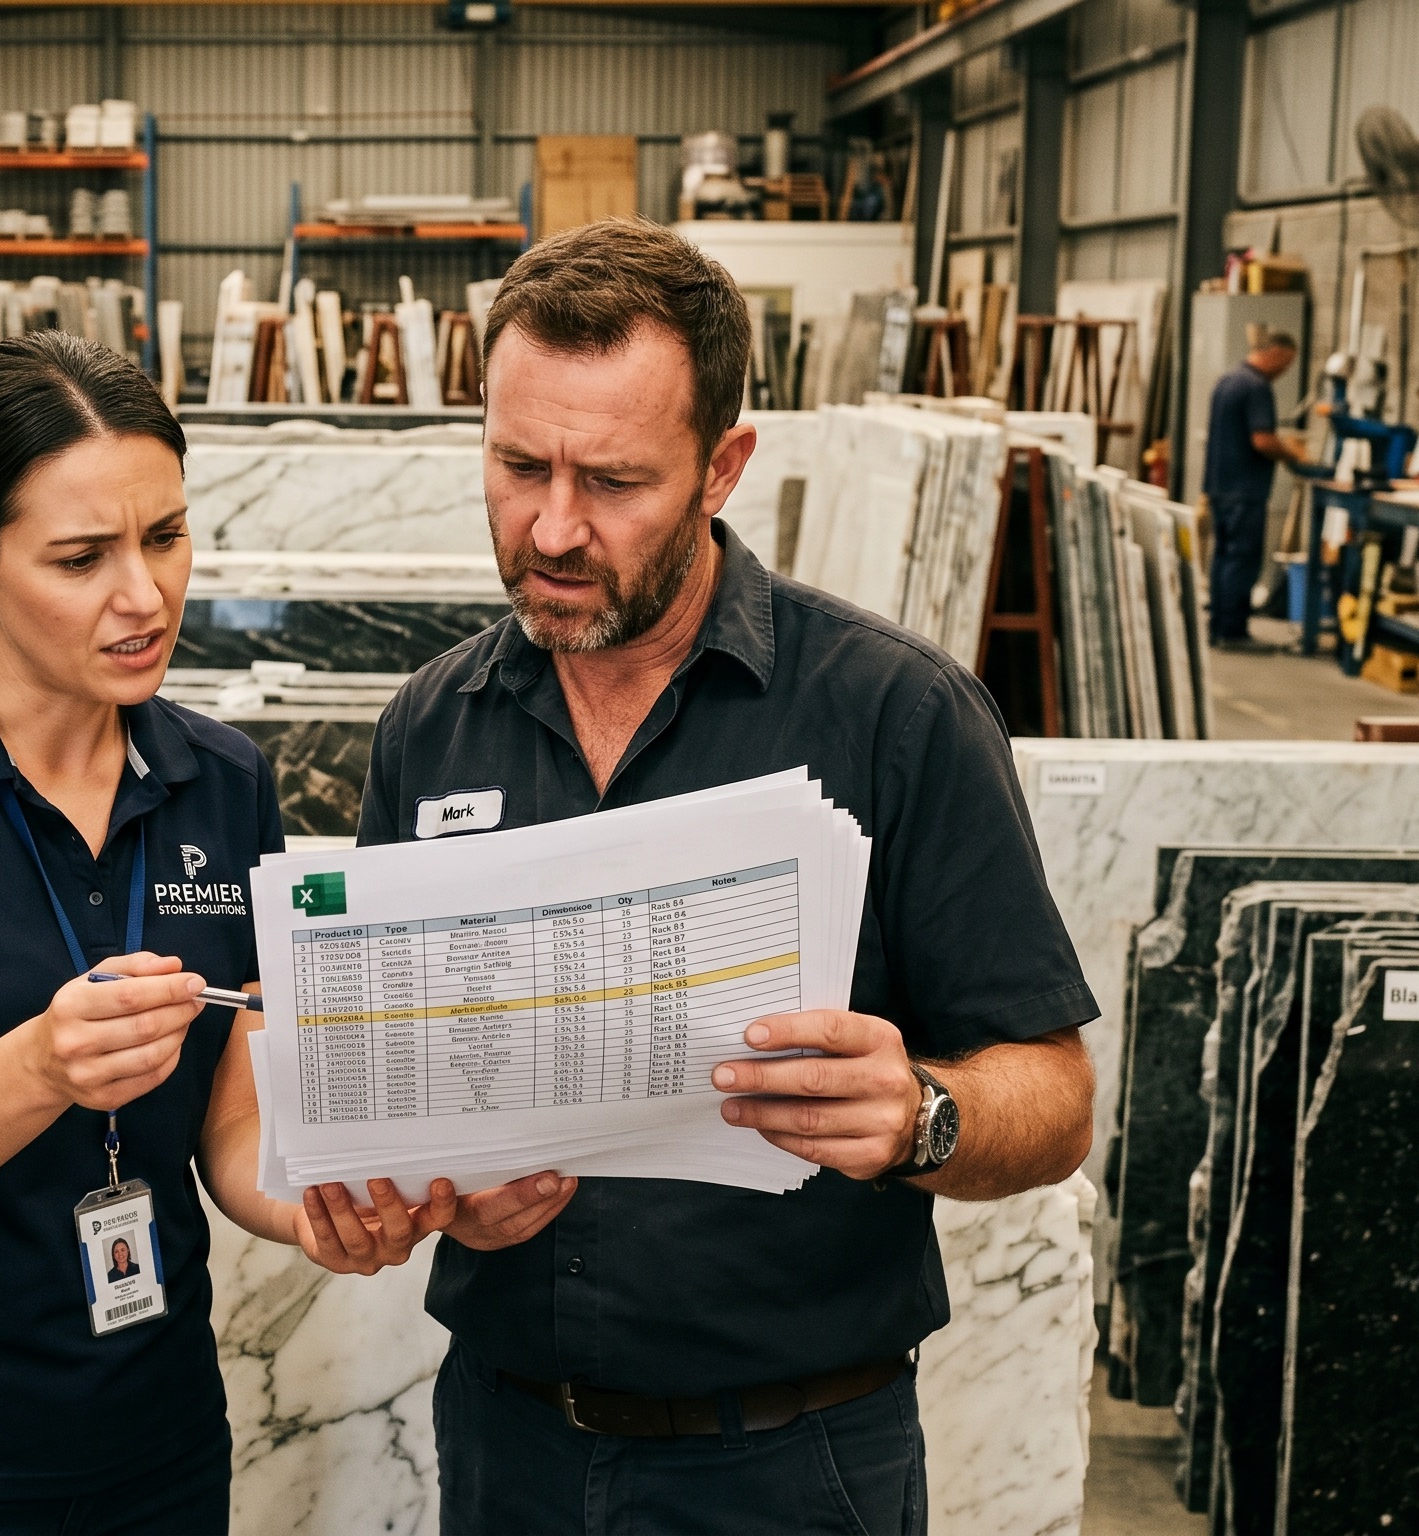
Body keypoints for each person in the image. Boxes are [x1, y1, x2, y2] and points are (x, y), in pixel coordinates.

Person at [355, 219, 1098, 1534]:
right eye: (520, 464)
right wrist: (409, 1185)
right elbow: (392, 1079)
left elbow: (1053, 1094)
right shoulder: (436, 723)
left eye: (617, 482)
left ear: (723, 468)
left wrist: (923, 1112)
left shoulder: (892, 715)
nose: (555, 526)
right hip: (507, 1442)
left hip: (790, 1463)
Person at [0, 332, 447, 1536]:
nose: (145, 596)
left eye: (164, 536)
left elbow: (233, 1115)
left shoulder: (221, 782)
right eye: (80, 558)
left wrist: (316, 1210)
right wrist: (42, 1066)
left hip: (149, 1447)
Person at [1204, 328, 1308, 648]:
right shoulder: (1257, 387)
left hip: (1220, 486)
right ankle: (1233, 633)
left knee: (1223, 557)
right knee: (1242, 559)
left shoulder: (1228, 380)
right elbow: (1262, 440)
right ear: (1274, 353)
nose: (1284, 371)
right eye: (1286, 364)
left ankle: (1219, 627)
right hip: (1244, 491)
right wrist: (1292, 454)